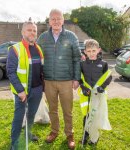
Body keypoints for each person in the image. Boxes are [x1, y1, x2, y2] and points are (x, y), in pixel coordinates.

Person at [37, 9, 81, 149]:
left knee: (67, 110)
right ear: (49, 21)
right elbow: (38, 58)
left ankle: (69, 135)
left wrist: (76, 78)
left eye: (58, 18)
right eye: (53, 19)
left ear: (63, 20)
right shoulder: (43, 37)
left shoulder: (71, 36)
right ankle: (54, 131)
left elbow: (77, 58)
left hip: (66, 80)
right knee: (52, 109)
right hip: (49, 81)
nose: (56, 21)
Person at [6, 21, 44, 149]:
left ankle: (28, 133)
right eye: (29, 30)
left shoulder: (38, 49)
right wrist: (20, 90)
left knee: (31, 115)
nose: (32, 32)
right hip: (22, 92)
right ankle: (15, 143)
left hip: (37, 90)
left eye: (34, 30)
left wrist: (42, 87)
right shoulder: (15, 49)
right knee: (18, 118)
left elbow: (40, 70)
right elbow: (10, 72)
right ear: (22, 32)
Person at [78, 39, 112, 146]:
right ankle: (86, 135)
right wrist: (83, 87)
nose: (91, 53)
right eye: (89, 51)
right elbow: (79, 78)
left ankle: (95, 137)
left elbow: (108, 77)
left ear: (98, 50)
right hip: (87, 94)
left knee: (96, 116)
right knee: (87, 115)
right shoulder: (82, 64)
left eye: (93, 51)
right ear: (85, 52)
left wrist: (102, 87)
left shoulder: (103, 64)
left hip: (98, 95)